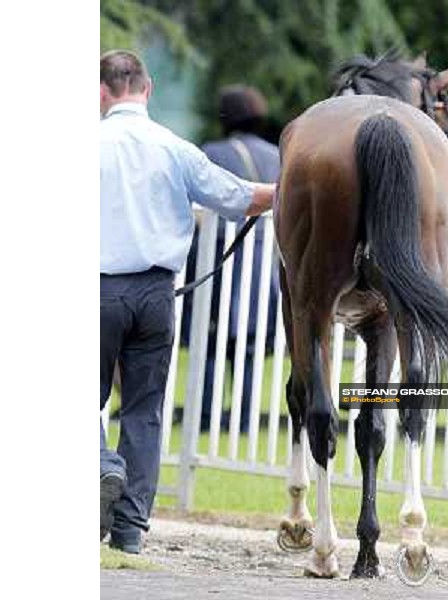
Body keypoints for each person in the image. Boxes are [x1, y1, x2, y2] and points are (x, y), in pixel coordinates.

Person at [100, 50, 275, 554]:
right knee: (144, 410)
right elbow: (242, 197)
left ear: (101, 92)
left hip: (98, 291)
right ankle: (130, 530)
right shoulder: (175, 148)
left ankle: (103, 467)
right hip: (157, 294)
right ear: (148, 89)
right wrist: (300, 188)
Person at [181, 85, 280, 433]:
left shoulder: (212, 152)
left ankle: (206, 414)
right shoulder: (276, 155)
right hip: (263, 264)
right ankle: (244, 415)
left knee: (210, 340)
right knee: (251, 347)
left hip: (221, 258)